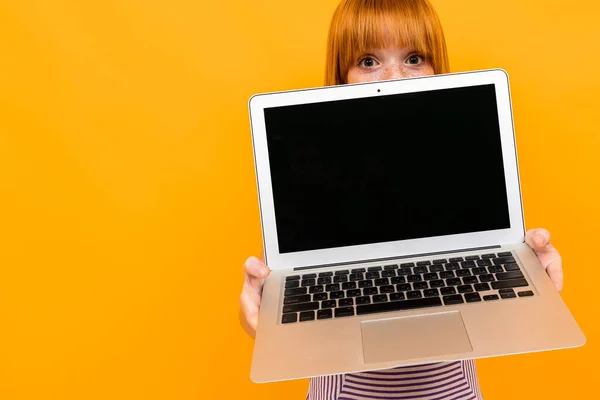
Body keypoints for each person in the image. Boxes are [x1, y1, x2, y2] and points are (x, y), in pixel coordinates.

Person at [240, 1, 564, 398]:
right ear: (342, 76)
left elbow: (505, 251)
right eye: (368, 60)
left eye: (413, 58)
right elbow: (266, 307)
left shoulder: (463, 158)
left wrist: (531, 267)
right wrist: (255, 309)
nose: (393, 76)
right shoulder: (313, 170)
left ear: (435, 67)